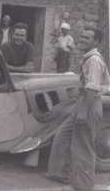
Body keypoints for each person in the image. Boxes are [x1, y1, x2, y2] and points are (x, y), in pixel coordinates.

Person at [47, 27, 110, 191]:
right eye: (81, 37)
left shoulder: (94, 60)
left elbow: (93, 88)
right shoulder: (87, 58)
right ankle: (61, 174)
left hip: (89, 104)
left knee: (83, 147)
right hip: (82, 102)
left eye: (87, 38)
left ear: (96, 42)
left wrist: (82, 112)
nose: (82, 40)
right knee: (63, 135)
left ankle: (84, 186)